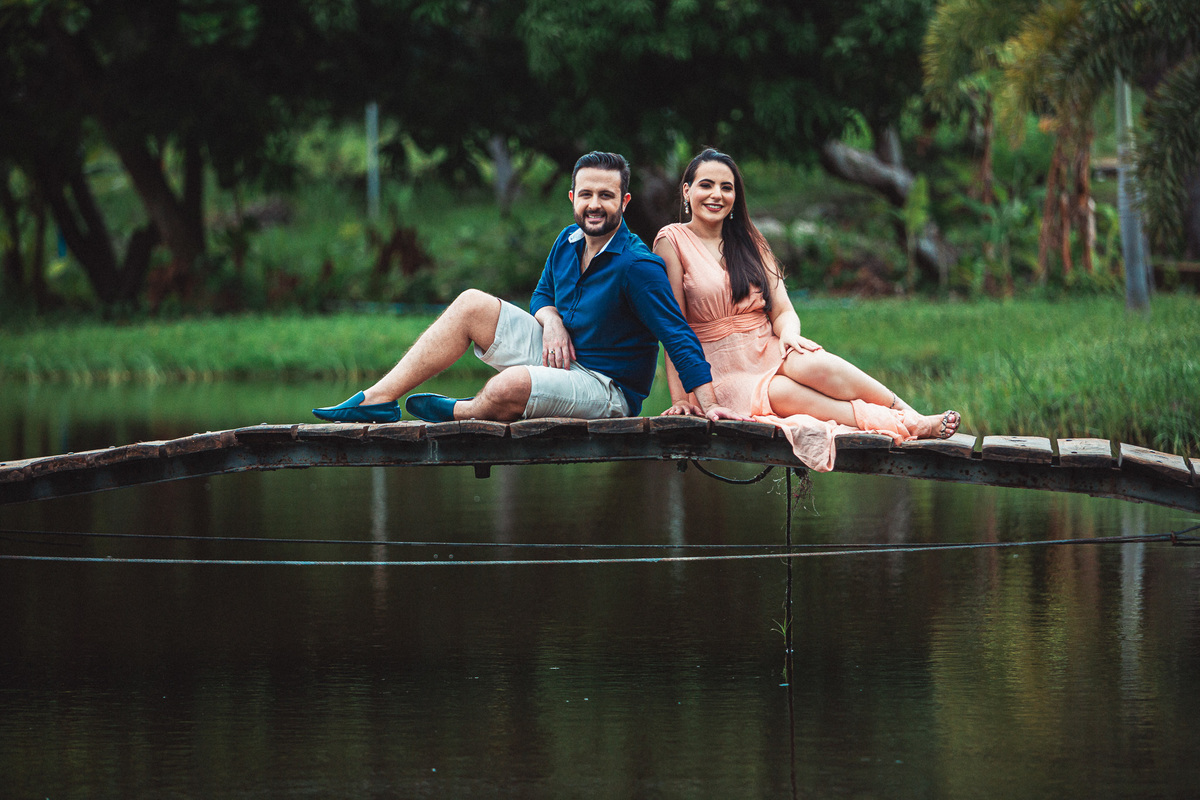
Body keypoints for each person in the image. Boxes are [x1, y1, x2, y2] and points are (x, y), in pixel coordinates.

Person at [313, 151, 748, 425]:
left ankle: (462, 410)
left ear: (624, 202)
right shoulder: (567, 241)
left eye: (606, 196)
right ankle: (377, 399)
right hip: (561, 356)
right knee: (471, 303)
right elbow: (541, 296)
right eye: (586, 194)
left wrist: (709, 406)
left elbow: (678, 337)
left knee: (508, 387)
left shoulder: (639, 266)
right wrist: (552, 318)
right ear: (572, 197)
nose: (594, 205)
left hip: (607, 389)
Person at [653, 148, 960, 471]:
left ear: (735, 196)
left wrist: (789, 335)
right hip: (719, 368)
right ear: (687, 191)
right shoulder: (671, 241)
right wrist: (682, 400)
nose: (716, 194)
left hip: (766, 345)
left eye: (726, 187)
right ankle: (907, 426)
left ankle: (911, 414)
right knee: (786, 392)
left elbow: (783, 309)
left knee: (821, 366)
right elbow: (674, 329)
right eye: (706, 185)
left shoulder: (750, 240)